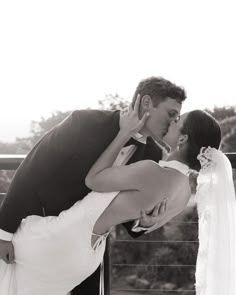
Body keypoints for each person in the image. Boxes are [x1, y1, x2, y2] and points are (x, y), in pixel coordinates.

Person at [0, 98, 225, 295]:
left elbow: (94, 180)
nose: (171, 122)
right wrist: (142, 224)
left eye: (177, 120)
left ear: (183, 139)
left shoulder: (151, 168)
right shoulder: (185, 192)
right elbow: (142, 220)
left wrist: (124, 133)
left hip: (65, 237)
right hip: (89, 257)